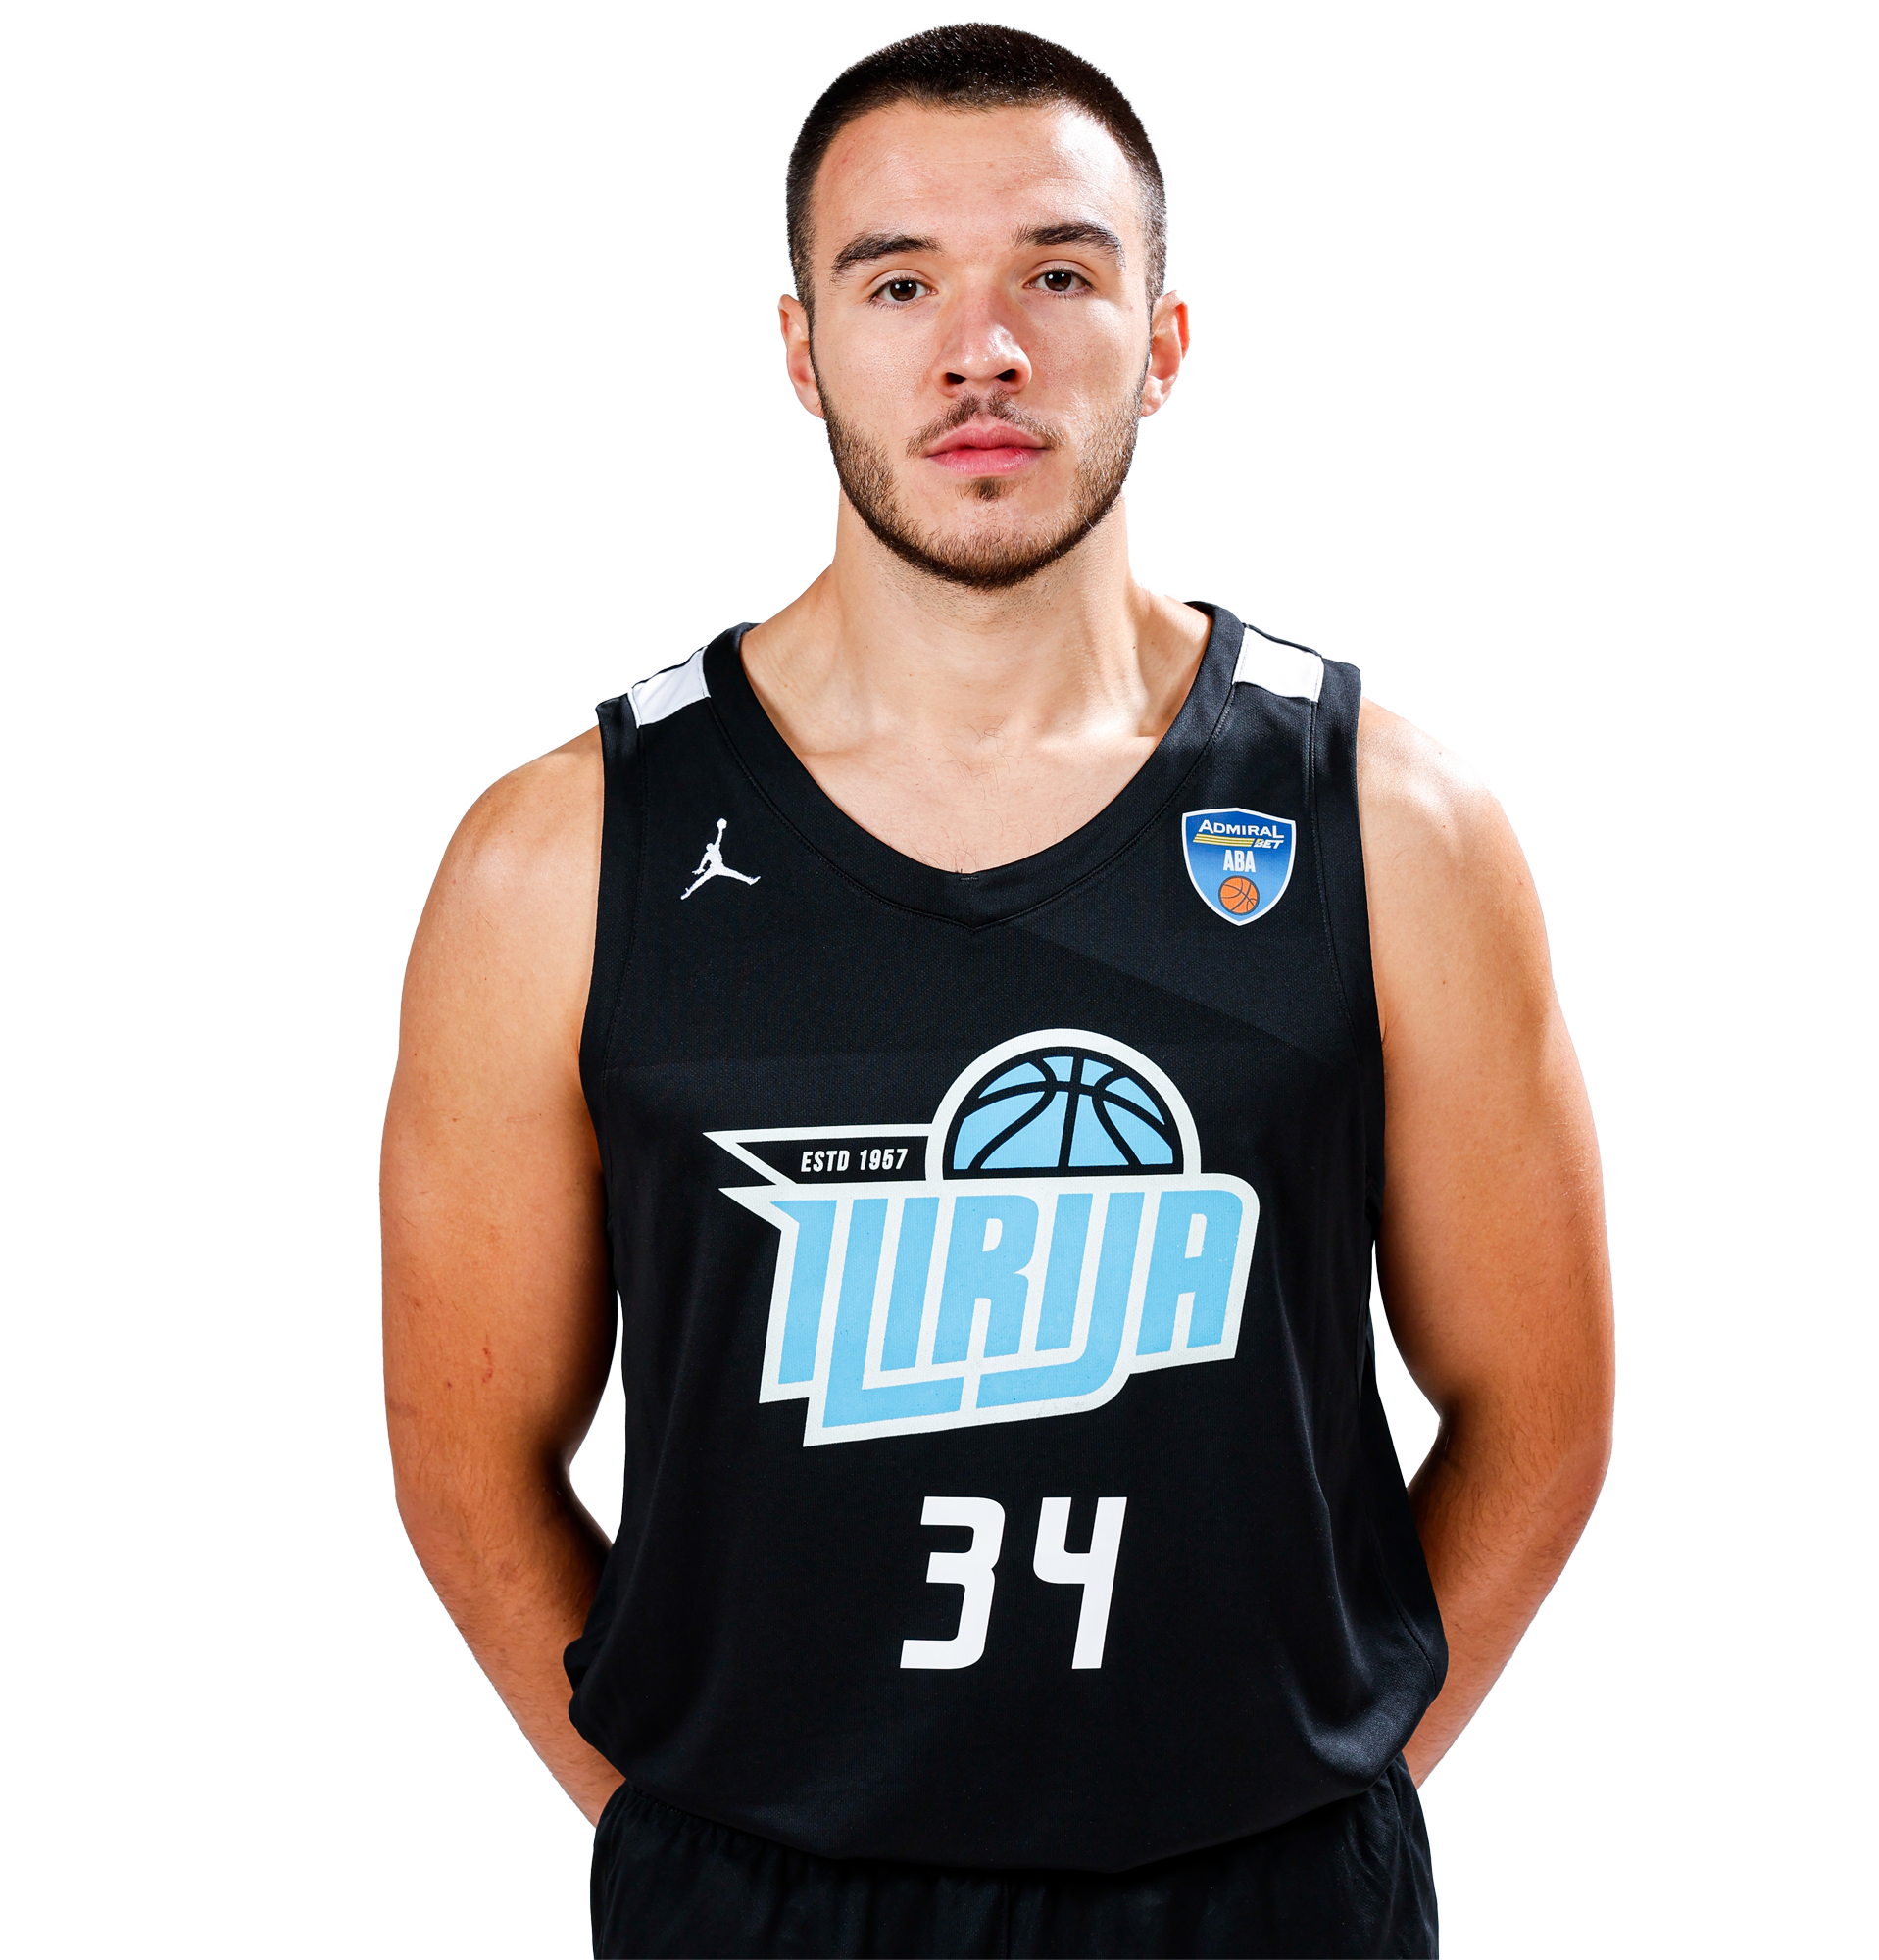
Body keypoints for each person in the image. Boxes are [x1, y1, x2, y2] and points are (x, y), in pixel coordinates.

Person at [381, 23, 1613, 1958]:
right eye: (897, 284)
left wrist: (1320, 1788)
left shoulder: (1392, 825)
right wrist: (692, 1837)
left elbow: (1540, 1405)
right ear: (801, 349)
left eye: (1057, 274)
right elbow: (467, 1462)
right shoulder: (558, 856)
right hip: (760, 1903)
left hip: (1264, 1898)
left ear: (1164, 338)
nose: (983, 350)